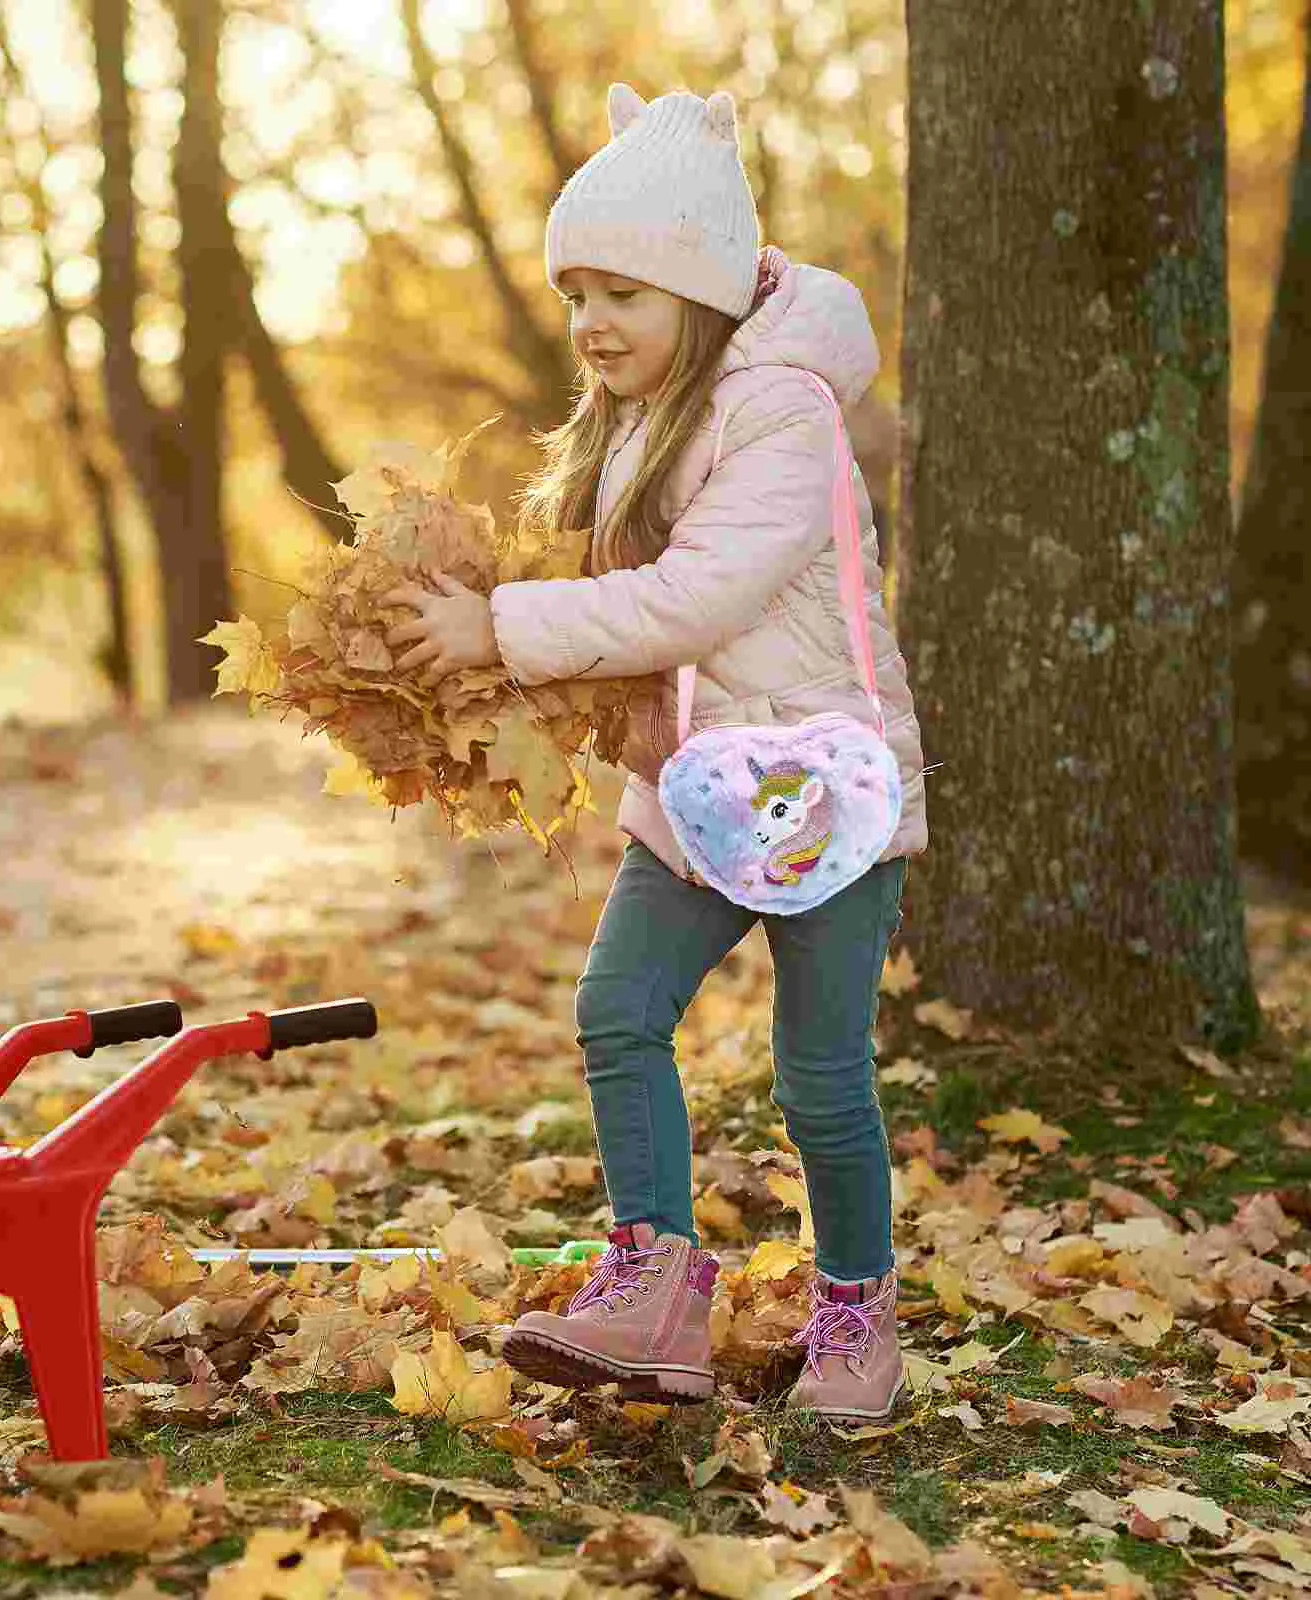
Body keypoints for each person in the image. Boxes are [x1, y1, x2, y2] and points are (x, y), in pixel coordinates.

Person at [381, 82, 928, 1420]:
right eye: (576, 292)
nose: (591, 322)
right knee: (617, 1012)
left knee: (820, 1075)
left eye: (622, 289)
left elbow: (697, 599)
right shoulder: (631, 424)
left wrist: (499, 628)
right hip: (694, 790)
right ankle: (655, 1282)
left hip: (818, 790)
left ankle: (857, 1315)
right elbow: (616, 603)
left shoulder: (780, 414)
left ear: (702, 288)